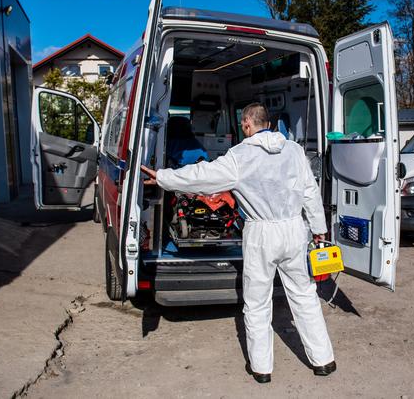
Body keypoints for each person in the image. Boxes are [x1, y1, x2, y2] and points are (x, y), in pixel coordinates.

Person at [141, 102, 335, 383]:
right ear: (267, 122)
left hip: (262, 234)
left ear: (246, 124)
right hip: (295, 229)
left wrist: (162, 177)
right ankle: (323, 360)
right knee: (305, 296)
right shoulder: (293, 150)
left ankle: (262, 368)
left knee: (257, 303)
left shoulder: (239, 156)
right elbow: (310, 192)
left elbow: (201, 176)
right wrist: (318, 228)